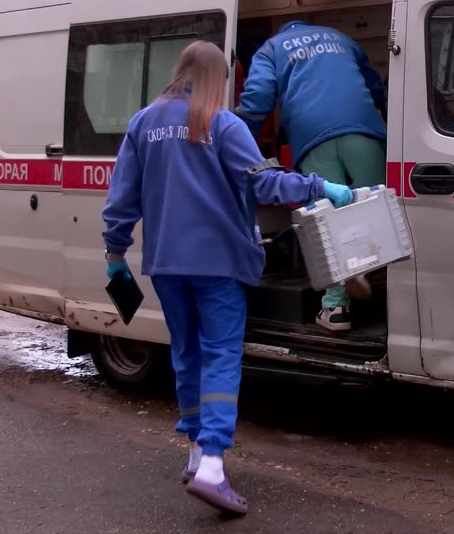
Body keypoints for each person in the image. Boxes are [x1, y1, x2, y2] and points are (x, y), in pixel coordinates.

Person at [101, 40, 352, 516]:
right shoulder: (223, 123)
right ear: (220, 77)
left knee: (186, 354)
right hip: (218, 265)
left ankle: (196, 454)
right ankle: (214, 465)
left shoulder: (143, 122)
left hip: (167, 265)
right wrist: (322, 186)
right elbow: (264, 182)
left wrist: (115, 254)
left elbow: (122, 199)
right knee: (220, 356)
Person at [234, 20, 387, 332]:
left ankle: (336, 308)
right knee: (374, 208)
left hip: (313, 135)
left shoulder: (271, 48)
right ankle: (377, 278)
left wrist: (235, 139)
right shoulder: (341, 37)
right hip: (365, 128)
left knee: (326, 217)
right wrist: (386, 113)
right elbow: (374, 83)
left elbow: (257, 99)